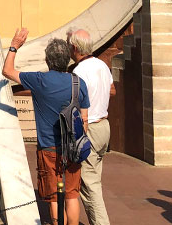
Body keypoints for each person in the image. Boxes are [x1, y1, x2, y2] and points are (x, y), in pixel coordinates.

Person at [2, 28, 89, 225]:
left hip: (49, 149)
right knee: (72, 194)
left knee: (53, 196)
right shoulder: (78, 82)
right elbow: (84, 119)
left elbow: (7, 71)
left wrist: (15, 45)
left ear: (48, 60)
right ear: (67, 59)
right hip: (73, 147)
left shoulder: (39, 81)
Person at [67, 29, 113, 225]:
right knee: (95, 179)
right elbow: (112, 89)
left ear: (75, 48)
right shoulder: (102, 65)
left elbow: (73, 102)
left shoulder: (79, 71)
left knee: (90, 186)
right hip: (104, 126)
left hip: (91, 128)